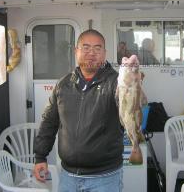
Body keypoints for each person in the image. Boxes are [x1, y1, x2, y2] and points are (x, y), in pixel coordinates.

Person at [33, 29, 124, 192]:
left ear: (104, 53)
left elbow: (129, 106)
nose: (91, 53)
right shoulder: (63, 84)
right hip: (68, 177)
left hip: (104, 178)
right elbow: (49, 122)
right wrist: (40, 156)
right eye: (86, 47)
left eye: (97, 48)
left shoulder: (116, 82)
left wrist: (133, 82)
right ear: (76, 51)